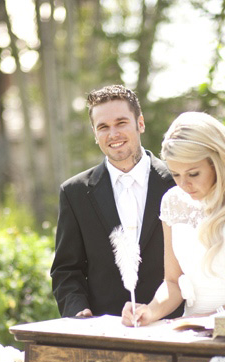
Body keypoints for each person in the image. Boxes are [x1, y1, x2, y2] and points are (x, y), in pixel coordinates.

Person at [121, 112, 225, 326]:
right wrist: (150, 311)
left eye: (193, 174)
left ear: (216, 162)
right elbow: (173, 283)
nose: (183, 185)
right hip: (192, 327)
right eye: (176, 174)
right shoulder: (172, 202)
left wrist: (216, 316)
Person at [50, 85, 183, 318]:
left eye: (121, 123)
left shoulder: (179, 184)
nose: (113, 134)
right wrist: (78, 312)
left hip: (172, 325)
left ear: (140, 123)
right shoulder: (75, 193)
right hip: (104, 331)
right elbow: (66, 270)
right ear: (94, 133)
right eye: (103, 127)